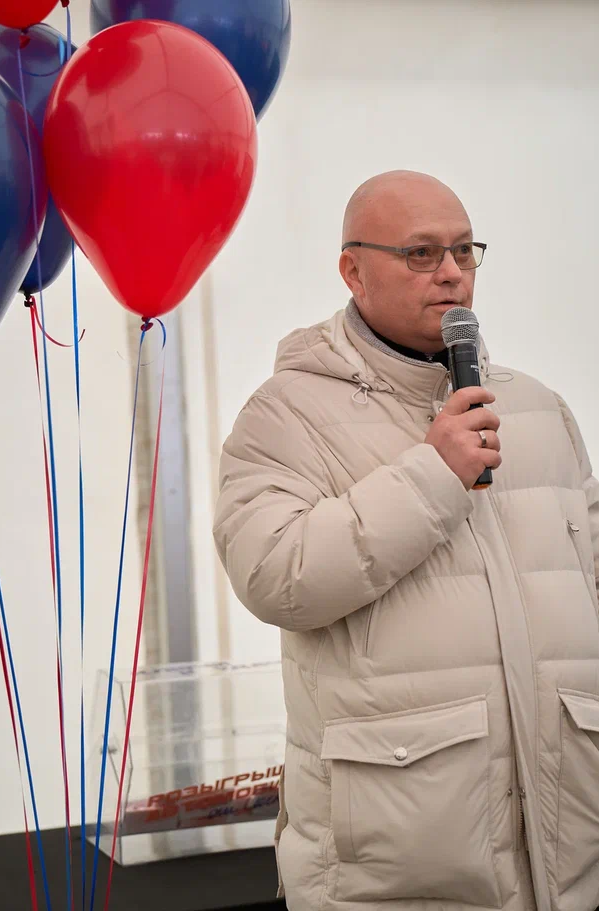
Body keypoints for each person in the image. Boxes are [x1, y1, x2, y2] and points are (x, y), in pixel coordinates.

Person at [213, 171, 599, 911]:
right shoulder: (285, 414)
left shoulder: (538, 408)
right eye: (421, 253)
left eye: (463, 251)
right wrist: (434, 474)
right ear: (352, 271)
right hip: (394, 868)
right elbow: (275, 577)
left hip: (566, 860)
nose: (451, 272)